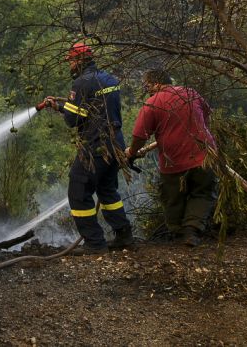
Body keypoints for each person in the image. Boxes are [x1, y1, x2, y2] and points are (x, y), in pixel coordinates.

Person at [42, 42, 133, 253]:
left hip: (95, 145)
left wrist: (63, 110)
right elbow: (93, 111)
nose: (70, 65)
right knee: (107, 190)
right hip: (115, 143)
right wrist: (61, 106)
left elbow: (74, 120)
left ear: (79, 61)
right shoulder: (109, 78)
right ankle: (124, 235)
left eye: (71, 61)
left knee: (78, 191)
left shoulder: (81, 83)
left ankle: (94, 243)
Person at [126, 68, 217, 247]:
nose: (148, 90)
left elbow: (139, 136)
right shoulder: (191, 93)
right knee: (202, 192)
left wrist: (131, 152)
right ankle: (191, 232)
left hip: (174, 159)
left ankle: (177, 233)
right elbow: (207, 116)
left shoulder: (152, 103)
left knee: (173, 196)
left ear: (157, 84)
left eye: (148, 86)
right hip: (205, 155)